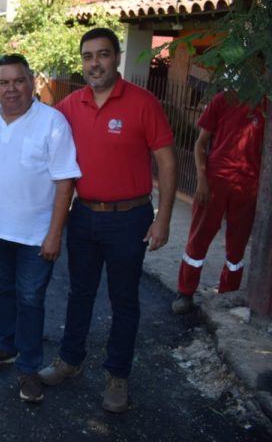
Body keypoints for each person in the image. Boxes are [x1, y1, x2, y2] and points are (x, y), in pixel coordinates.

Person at [38, 28, 177, 413]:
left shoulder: (143, 103)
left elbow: (167, 161)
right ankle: (71, 360)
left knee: (124, 300)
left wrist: (162, 219)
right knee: (79, 293)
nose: (94, 63)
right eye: (87, 56)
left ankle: (118, 375)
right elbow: (33, 125)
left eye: (102, 55)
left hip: (129, 218)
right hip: (83, 215)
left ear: (116, 57)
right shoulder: (69, 105)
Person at [0, 55, 80, 403]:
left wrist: (54, 233)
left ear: (32, 82)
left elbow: (66, 181)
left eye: (18, 81)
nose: (11, 88)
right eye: (4, 82)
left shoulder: (53, 122)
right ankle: (5, 346)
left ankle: (29, 368)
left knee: (31, 298)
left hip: (37, 234)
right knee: (4, 289)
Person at [171, 92, 266, 314]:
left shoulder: (266, 106)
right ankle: (185, 292)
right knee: (199, 237)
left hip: (248, 186)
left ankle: (227, 295)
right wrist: (202, 180)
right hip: (215, 182)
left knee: (237, 246)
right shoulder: (222, 101)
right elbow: (200, 144)